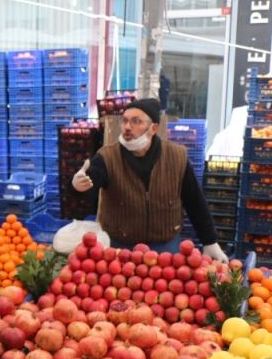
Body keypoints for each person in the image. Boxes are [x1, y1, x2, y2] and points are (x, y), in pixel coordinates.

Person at [71, 98, 228, 260]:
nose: (127, 127)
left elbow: (194, 201)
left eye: (135, 122)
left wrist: (210, 241)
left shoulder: (176, 157)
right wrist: (76, 187)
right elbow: (90, 182)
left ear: (153, 128)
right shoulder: (107, 157)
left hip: (165, 248)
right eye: (124, 121)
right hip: (121, 248)